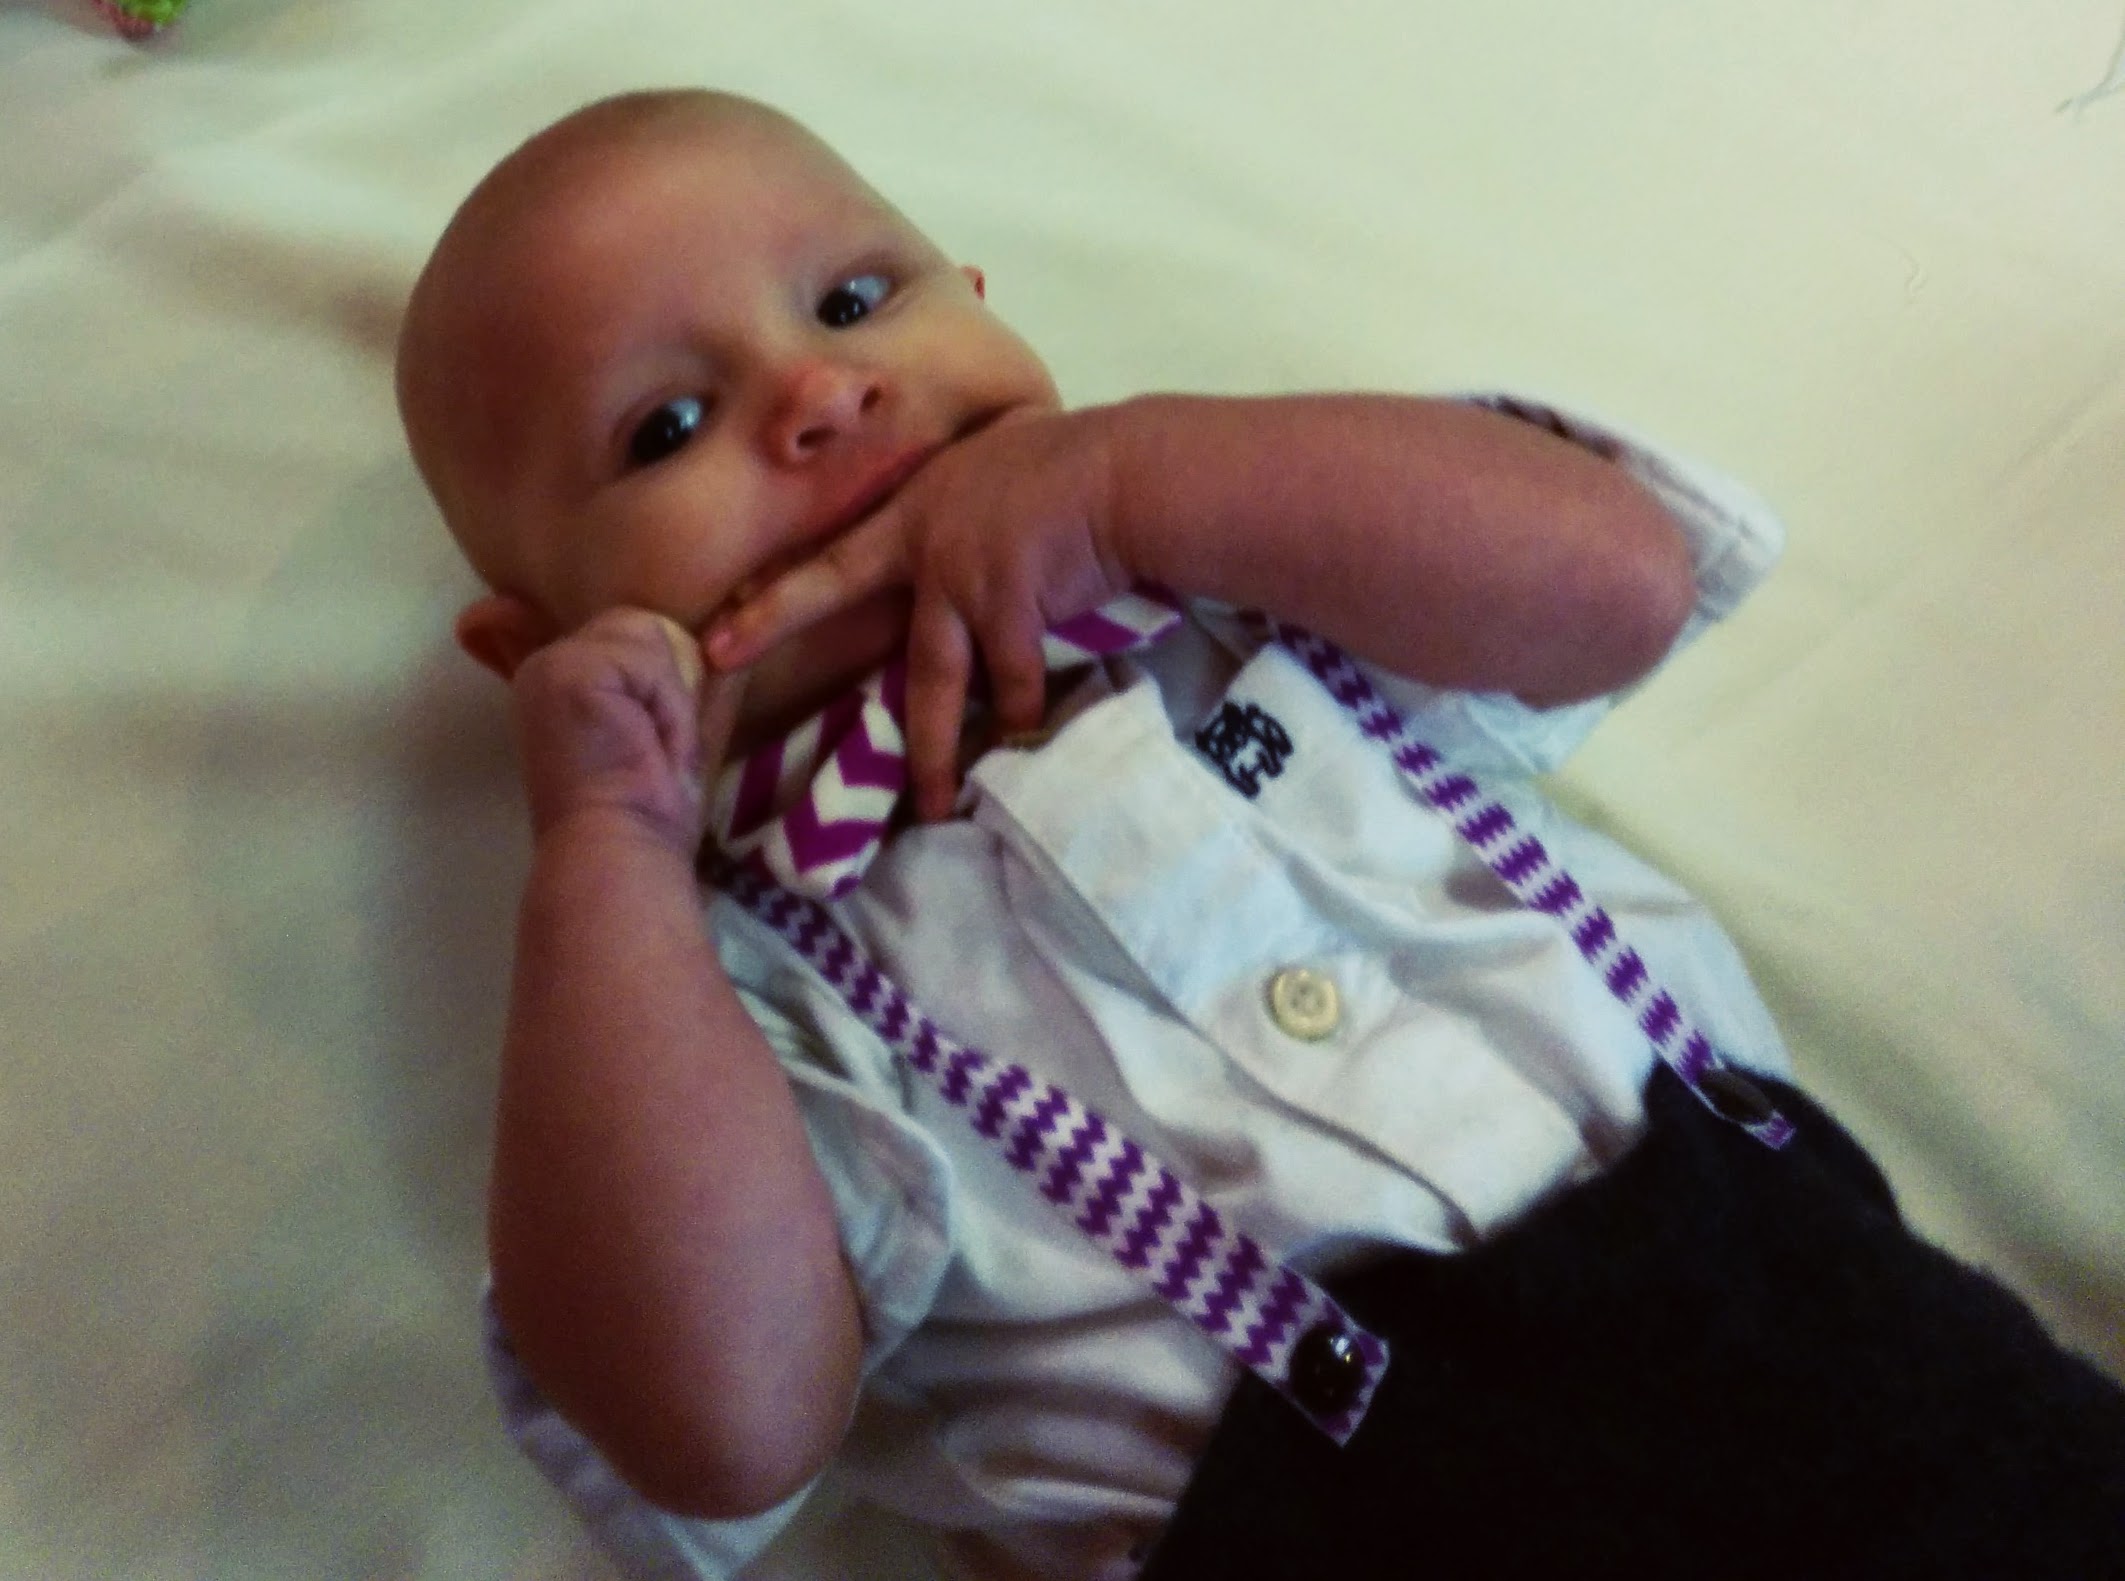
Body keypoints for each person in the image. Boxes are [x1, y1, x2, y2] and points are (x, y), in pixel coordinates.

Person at [395, 88, 2125, 1581]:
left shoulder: (1262, 578)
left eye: (856, 299)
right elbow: (717, 1425)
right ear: (532, 645)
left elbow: (1619, 583)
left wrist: (1127, 484)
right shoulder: (726, 997)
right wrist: (605, 853)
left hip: (1853, 1382)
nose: (821, 396)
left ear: (981, 307)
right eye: (666, 429)